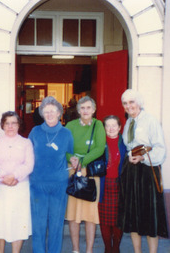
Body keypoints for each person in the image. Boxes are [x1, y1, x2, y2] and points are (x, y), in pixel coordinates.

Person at [118, 89, 168, 253]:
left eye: (131, 102)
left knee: (149, 214)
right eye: (125, 103)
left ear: (139, 102)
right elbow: (129, 146)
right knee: (133, 214)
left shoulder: (150, 121)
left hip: (147, 172)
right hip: (131, 172)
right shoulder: (129, 122)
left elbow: (160, 148)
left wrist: (143, 158)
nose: (128, 106)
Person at [28, 96, 74, 253]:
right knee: (38, 225)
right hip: (37, 185)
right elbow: (28, 156)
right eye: (46, 111)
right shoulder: (35, 132)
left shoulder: (66, 133)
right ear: (42, 113)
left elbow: (70, 155)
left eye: (52, 111)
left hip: (59, 185)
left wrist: (75, 160)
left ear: (59, 113)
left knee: (56, 225)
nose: (49, 114)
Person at [0, 111, 34, 253]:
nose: (10, 126)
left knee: (18, 223)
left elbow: (29, 165)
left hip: (20, 187)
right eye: (7, 123)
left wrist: (14, 176)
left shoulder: (26, 143)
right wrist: (3, 178)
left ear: (19, 125)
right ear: (2, 125)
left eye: (14, 123)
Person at [65, 96, 106, 253]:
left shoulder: (98, 125)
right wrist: (72, 158)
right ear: (78, 110)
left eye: (89, 108)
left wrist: (83, 161)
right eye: (82, 108)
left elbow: (99, 148)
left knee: (90, 215)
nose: (85, 111)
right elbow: (65, 148)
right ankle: (76, 249)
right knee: (73, 214)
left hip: (89, 172)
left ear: (94, 110)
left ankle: (89, 250)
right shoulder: (70, 125)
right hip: (73, 170)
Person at [98, 115, 126, 253]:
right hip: (104, 186)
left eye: (114, 125)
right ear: (104, 128)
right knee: (105, 221)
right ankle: (108, 249)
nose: (111, 128)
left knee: (117, 221)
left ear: (120, 127)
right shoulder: (100, 142)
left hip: (119, 186)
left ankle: (116, 249)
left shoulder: (125, 144)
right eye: (108, 126)